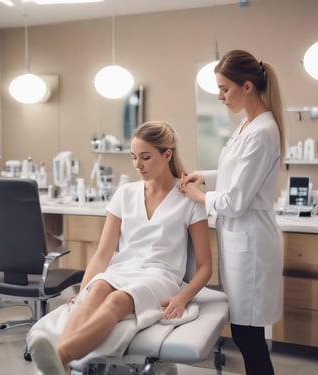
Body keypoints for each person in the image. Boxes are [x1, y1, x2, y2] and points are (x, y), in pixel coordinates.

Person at [29, 121, 212, 375]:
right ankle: (63, 366)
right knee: (98, 289)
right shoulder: (125, 194)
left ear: (167, 155)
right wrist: (83, 292)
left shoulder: (190, 200)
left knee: (117, 300)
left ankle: (62, 357)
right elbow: (103, 254)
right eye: (134, 157)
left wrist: (182, 298)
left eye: (146, 157)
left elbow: (205, 267)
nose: (138, 165)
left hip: (160, 276)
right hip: (123, 268)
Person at [179, 50, 284, 375]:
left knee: (248, 335)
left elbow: (236, 201)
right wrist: (205, 177)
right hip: (241, 239)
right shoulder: (247, 126)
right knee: (244, 332)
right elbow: (235, 173)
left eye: (225, 88)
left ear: (248, 86)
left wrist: (199, 195)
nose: (221, 96)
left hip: (251, 243)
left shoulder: (262, 132)